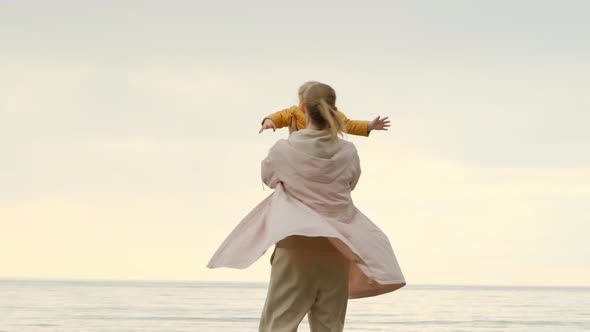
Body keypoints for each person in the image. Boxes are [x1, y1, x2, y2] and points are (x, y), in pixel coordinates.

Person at [208, 82, 405, 332]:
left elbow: (270, 178)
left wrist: (293, 140)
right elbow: (350, 183)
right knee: (329, 327)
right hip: (337, 250)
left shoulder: (283, 149)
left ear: (302, 108)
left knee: (278, 326)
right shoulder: (348, 151)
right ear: (334, 109)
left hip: (295, 249)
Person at [258, 81, 390, 136]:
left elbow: (350, 125)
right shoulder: (294, 111)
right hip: (306, 147)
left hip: (319, 148)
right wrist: (270, 120)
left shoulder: (332, 115)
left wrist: (368, 126)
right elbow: (281, 116)